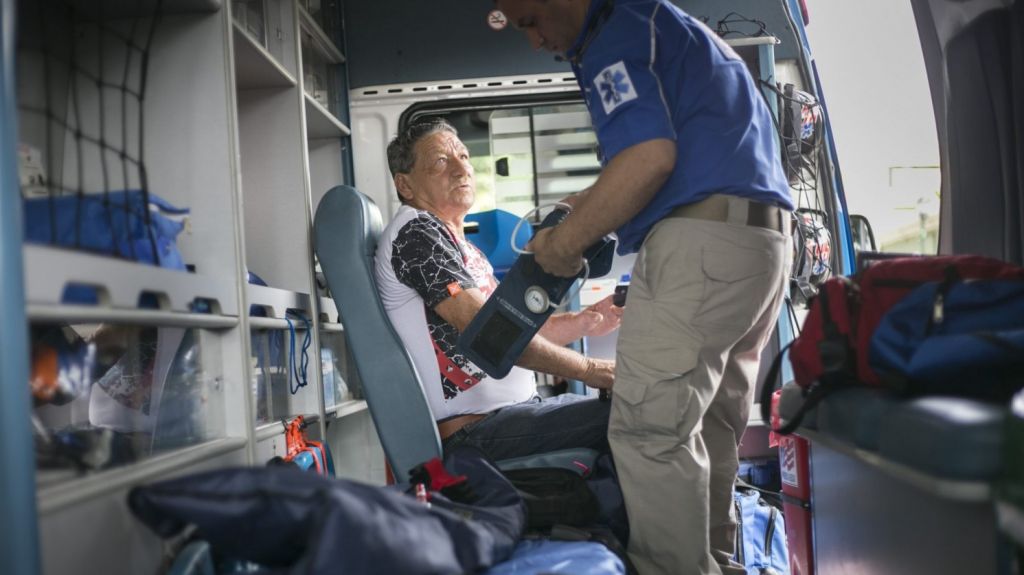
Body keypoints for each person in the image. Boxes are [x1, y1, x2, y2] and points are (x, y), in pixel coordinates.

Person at [493, 1, 794, 573]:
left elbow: (649, 159)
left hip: (702, 246)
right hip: (760, 246)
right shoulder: (666, 25)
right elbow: (666, 163)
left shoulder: (614, 34)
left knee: (648, 430)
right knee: (707, 427)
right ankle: (716, 563)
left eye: (528, 19)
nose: (532, 41)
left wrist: (565, 244)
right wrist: (575, 208)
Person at [374, 117, 623, 462]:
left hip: (513, 414)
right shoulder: (417, 233)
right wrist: (592, 370)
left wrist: (589, 321)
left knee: (637, 403)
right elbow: (496, 335)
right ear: (406, 185)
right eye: (441, 162)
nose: (462, 169)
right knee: (636, 414)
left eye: (463, 156)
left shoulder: (462, 246)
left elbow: (514, 328)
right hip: (477, 431)